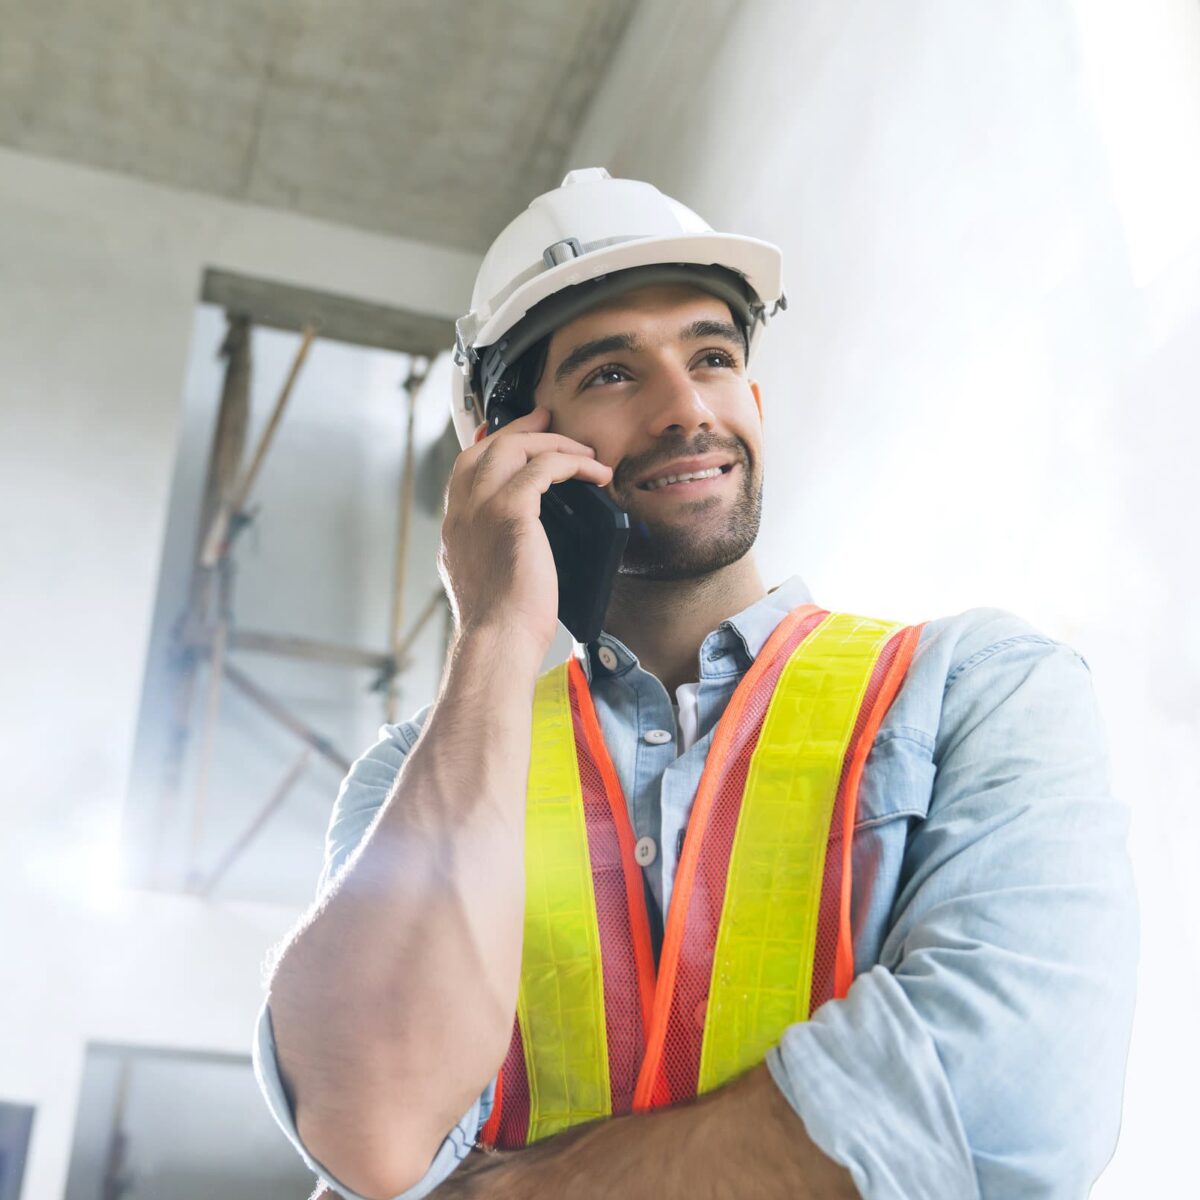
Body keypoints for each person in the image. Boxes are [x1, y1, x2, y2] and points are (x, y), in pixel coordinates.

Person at [254, 168, 1138, 1200]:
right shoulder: (418, 773)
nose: (687, 410)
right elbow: (373, 1129)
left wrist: (509, 1190)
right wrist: (494, 632)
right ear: (510, 455)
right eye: (613, 374)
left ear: (753, 402)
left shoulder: (972, 690)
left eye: (712, 358)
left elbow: (1011, 1102)